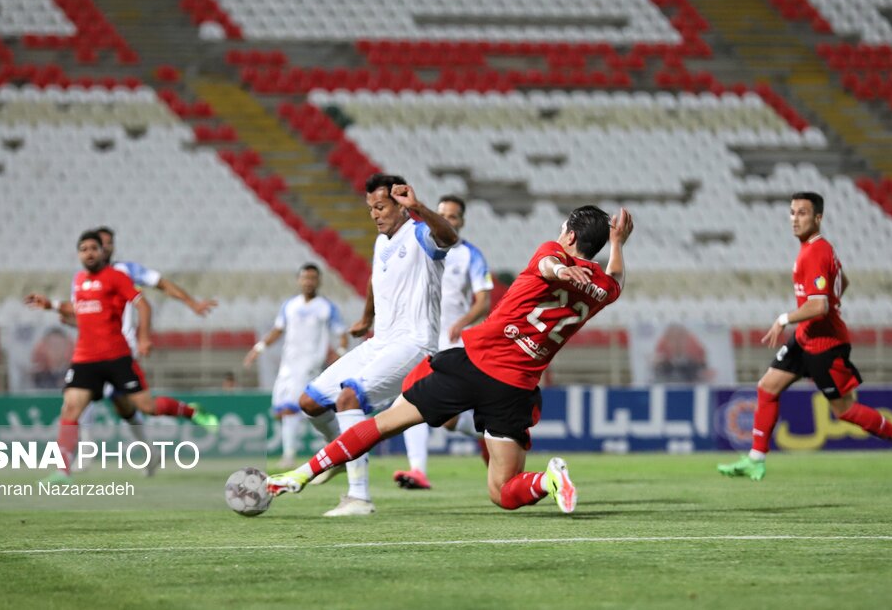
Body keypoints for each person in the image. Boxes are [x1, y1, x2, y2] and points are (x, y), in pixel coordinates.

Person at [268, 205, 633, 515]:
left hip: (475, 364)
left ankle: (299, 475)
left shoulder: (553, 252)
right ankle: (547, 480)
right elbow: (614, 275)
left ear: (570, 236)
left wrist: (561, 269)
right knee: (503, 492)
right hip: (516, 388)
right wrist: (616, 244)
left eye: (563, 229)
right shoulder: (603, 289)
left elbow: (551, 264)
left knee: (384, 423)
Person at [718, 192, 892, 481]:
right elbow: (841, 282)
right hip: (805, 338)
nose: (795, 219)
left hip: (826, 345)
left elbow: (820, 304)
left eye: (802, 213)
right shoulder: (816, 250)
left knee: (844, 410)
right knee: (767, 387)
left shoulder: (815, 252)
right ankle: (756, 459)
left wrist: (783, 319)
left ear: (818, 218)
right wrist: (825, 307)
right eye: (792, 212)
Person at [294, 174, 458, 516]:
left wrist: (420, 208)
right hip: (380, 341)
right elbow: (375, 278)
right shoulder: (382, 242)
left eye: (380, 207)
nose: (375, 214)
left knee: (348, 398)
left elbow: (449, 237)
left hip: (415, 344)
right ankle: (337, 452)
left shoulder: (420, 233)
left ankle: (359, 497)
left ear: (401, 205)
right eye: (371, 208)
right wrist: (367, 317)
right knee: (309, 401)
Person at [26, 232, 218, 482]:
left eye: (99, 246)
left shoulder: (123, 273)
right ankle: (64, 469)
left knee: (139, 408)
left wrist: (146, 336)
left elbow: (152, 294)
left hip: (119, 352)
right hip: (86, 357)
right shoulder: (80, 280)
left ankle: (187, 413)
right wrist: (52, 305)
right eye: (86, 248)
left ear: (109, 248)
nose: (94, 251)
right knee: (74, 407)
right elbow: (82, 308)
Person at [395, 194, 493, 490]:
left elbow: (484, 301)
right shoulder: (422, 246)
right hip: (422, 338)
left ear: (461, 221)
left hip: (455, 344)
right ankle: (418, 470)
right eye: (442, 214)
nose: (447, 220)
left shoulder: (470, 255)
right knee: (410, 397)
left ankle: (491, 432)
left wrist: (462, 323)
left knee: (447, 419)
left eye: (452, 216)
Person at [243, 263, 349, 468]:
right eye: (305, 278)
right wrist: (259, 348)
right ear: (299, 280)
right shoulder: (289, 305)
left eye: (312, 278)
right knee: (283, 410)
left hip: (310, 365)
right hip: (288, 365)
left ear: (318, 281)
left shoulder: (326, 307)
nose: (308, 282)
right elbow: (278, 330)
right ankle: (334, 445)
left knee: (293, 408)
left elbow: (341, 334)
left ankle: (290, 455)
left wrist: (341, 354)